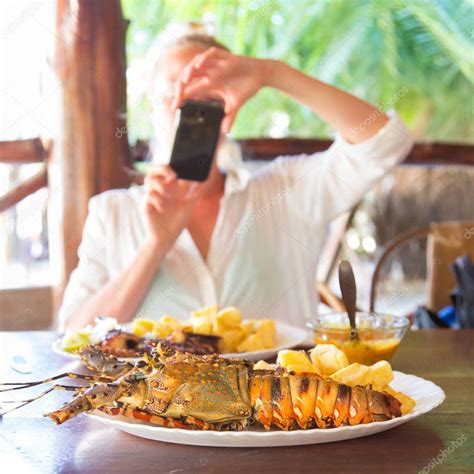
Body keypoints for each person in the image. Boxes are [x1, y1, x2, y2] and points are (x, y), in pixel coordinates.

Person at [59, 25, 413, 331]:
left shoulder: (284, 191)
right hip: (153, 408)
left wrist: (272, 74)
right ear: (151, 107)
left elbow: (385, 141)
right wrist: (156, 245)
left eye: (206, 96)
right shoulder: (112, 213)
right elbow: (74, 336)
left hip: (275, 405)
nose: (188, 106)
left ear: (230, 107)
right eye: (174, 93)